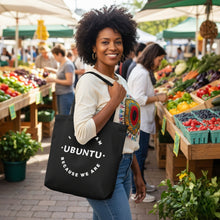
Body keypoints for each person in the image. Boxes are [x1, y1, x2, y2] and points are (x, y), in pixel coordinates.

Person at [74, 5, 146, 220]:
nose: (112, 47)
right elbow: (82, 134)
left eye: (118, 41)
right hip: (101, 169)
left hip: (123, 169)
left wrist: (136, 173)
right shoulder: (88, 82)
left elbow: (125, 132)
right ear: (93, 47)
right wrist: (113, 102)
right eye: (105, 42)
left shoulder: (120, 80)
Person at [127, 43, 167, 203]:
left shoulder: (141, 70)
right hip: (140, 122)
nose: (159, 63)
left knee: (140, 156)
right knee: (139, 156)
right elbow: (139, 98)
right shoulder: (142, 74)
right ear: (152, 57)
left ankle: (141, 184)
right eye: (159, 59)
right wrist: (158, 97)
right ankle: (136, 191)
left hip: (139, 120)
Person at [45, 44, 75, 115]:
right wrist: (50, 70)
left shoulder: (68, 64)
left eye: (55, 56)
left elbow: (69, 81)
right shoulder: (62, 63)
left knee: (64, 117)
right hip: (61, 94)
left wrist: (54, 80)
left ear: (60, 54)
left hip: (66, 95)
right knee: (62, 117)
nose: (55, 58)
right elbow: (61, 73)